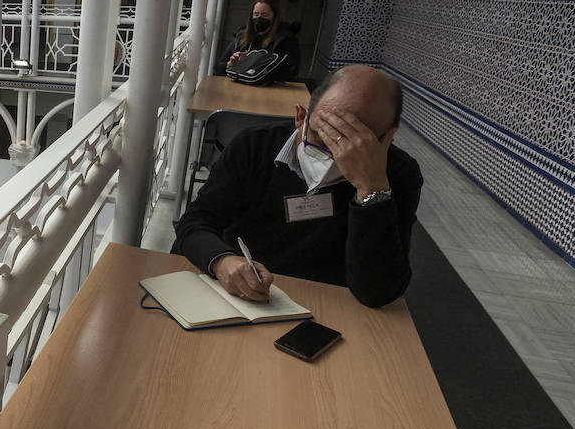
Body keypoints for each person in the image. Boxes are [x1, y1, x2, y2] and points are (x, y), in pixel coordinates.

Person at [172, 64, 423, 309]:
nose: (336, 156)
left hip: (325, 302)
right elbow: (195, 222)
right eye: (321, 137)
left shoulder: (397, 174)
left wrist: (372, 191)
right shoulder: (254, 145)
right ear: (301, 117)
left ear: (387, 138)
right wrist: (221, 261)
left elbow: (379, 292)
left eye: (357, 145)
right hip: (238, 292)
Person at [213, 0, 301, 83]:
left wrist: (256, 66)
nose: (259, 18)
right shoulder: (242, 37)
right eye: (256, 14)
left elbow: (291, 73)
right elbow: (218, 67)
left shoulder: (285, 40)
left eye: (264, 15)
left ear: (275, 16)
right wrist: (230, 64)